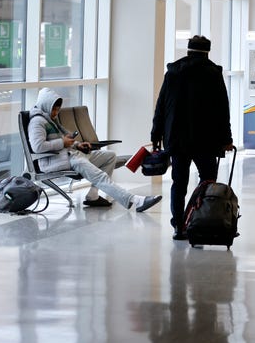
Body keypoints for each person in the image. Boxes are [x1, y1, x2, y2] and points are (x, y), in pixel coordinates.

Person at [151, 35, 234, 240]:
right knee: (207, 182)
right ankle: (202, 221)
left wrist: (156, 134)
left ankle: (179, 226)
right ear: (207, 51)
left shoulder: (172, 73)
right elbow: (223, 110)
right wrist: (227, 139)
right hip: (206, 140)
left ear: (188, 51)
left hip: (177, 140)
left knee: (178, 183)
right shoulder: (214, 73)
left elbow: (161, 105)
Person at [29, 87, 162, 212]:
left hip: (71, 155)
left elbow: (64, 142)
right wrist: (62, 142)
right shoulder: (37, 122)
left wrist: (77, 145)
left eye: (57, 110)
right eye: (54, 110)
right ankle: (135, 201)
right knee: (100, 176)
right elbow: (38, 146)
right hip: (58, 160)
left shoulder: (51, 121)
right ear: (45, 105)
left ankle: (93, 195)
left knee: (109, 156)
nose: (56, 113)